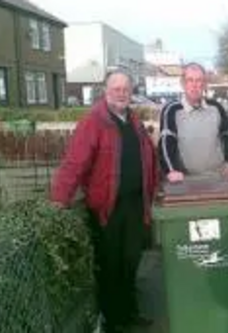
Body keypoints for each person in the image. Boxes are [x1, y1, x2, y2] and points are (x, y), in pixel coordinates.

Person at [50, 71, 158, 333]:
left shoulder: (133, 121)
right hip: (107, 209)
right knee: (110, 265)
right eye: (116, 88)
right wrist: (58, 200)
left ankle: (129, 312)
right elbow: (75, 163)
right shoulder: (94, 122)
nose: (122, 93)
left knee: (131, 261)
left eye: (125, 89)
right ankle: (113, 319)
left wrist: (162, 184)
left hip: (135, 206)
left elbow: (149, 160)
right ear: (105, 91)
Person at [158, 62, 228, 182]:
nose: (195, 85)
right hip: (186, 180)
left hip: (217, 178)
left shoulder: (215, 107)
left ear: (204, 84)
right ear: (183, 84)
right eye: (190, 80)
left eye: (199, 80)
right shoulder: (172, 110)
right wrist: (171, 170)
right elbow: (166, 142)